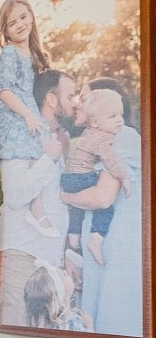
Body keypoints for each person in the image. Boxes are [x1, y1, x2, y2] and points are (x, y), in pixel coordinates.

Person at [0, 68, 73, 326]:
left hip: (47, 261)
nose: (75, 102)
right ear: (51, 99)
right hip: (22, 258)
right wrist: (49, 158)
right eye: (70, 96)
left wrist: (65, 257)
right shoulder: (20, 135)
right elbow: (16, 195)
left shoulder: (51, 137)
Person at [0, 0, 56, 236]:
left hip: (30, 113)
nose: (20, 25)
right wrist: (28, 114)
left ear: (31, 16)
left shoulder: (35, 52)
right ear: (6, 31)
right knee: (26, 165)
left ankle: (37, 210)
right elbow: (5, 90)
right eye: (12, 23)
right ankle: (33, 213)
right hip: (17, 115)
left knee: (38, 160)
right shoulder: (10, 53)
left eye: (23, 17)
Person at [60, 86, 133, 268]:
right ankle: (95, 240)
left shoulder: (117, 137)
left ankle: (74, 238)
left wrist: (67, 197)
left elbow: (101, 197)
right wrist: (124, 178)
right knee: (103, 206)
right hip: (79, 180)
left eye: (84, 100)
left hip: (69, 179)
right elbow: (102, 200)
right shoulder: (104, 137)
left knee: (80, 205)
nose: (77, 105)